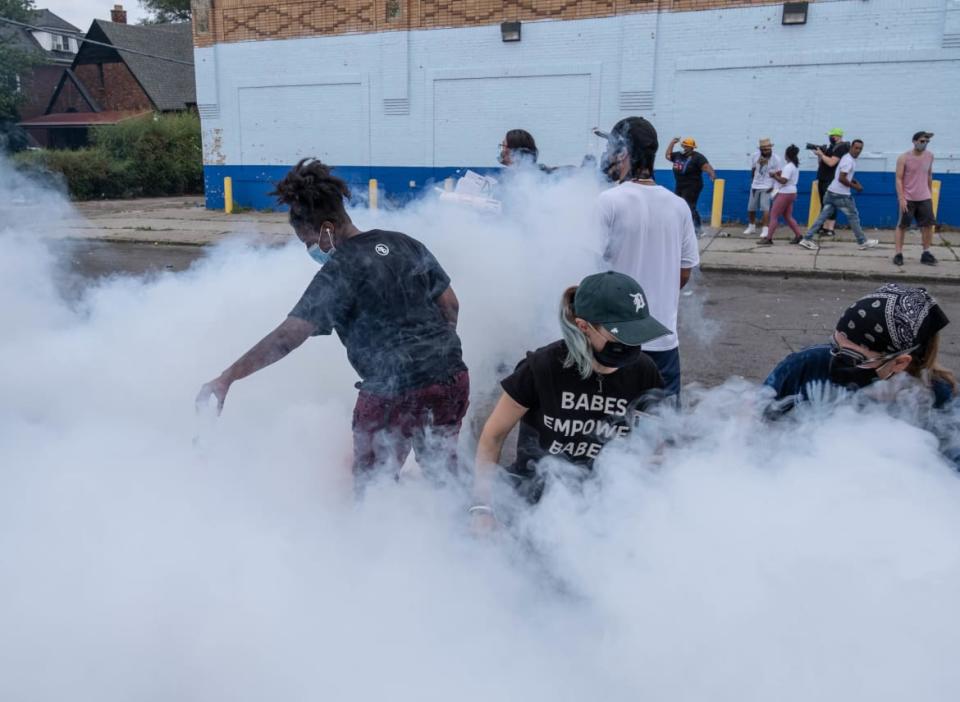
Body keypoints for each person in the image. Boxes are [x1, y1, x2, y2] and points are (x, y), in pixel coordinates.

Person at [196, 159, 470, 494]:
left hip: (390, 394)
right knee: (443, 470)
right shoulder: (404, 242)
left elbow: (287, 337)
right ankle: (467, 530)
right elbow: (451, 304)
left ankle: (376, 540)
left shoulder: (340, 269)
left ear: (327, 228)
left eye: (308, 241)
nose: (311, 249)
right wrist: (434, 355)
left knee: (374, 488)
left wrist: (228, 377)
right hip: (451, 378)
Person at [470, 272, 667, 526]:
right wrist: (482, 509)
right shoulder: (542, 367)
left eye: (637, 333)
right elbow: (493, 436)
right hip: (534, 505)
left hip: (609, 506)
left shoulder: (644, 371)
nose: (631, 344)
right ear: (584, 326)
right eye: (620, 335)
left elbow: (658, 442)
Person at [596, 116, 700, 397]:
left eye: (610, 149)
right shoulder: (678, 206)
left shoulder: (608, 201)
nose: (607, 157)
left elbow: (590, 270)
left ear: (623, 153)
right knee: (659, 432)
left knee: (610, 435)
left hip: (615, 343)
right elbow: (684, 271)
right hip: (663, 342)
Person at [765, 283, 955, 413]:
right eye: (835, 345)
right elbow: (751, 422)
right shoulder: (805, 366)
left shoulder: (938, 400)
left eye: (853, 358)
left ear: (899, 363)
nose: (835, 360)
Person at [799, 139, 879, 251]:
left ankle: (807, 238)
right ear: (851, 147)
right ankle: (862, 241)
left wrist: (853, 181)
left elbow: (843, 175)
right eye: (856, 148)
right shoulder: (849, 161)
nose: (858, 151)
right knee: (853, 216)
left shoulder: (846, 157)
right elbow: (842, 178)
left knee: (823, 216)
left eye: (860, 149)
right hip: (840, 195)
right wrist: (856, 187)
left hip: (831, 192)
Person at [894, 131, 937, 267]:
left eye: (927, 142)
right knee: (902, 226)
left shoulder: (930, 156)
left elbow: (929, 175)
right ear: (914, 141)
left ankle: (926, 253)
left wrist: (929, 194)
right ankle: (898, 254)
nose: (924, 144)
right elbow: (899, 179)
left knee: (928, 226)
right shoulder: (904, 158)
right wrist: (901, 198)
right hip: (908, 198)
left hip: (924, 197)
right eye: (922, 141)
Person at [665, 136, 717, 237]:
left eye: (687, 147)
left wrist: (712, 175)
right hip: (680, 185)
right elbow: (667, 156)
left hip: (693, 186)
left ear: (692, 148)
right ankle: (682, 228)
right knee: (678, 206)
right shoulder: (678, 155)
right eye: (683, 146)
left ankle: (699, 230)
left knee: (689, 207)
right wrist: (672, 143)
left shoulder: (697, 157)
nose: (684, 148)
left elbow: (707, 166)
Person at [761, 144, 803, 245]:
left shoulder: (788, 167)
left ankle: (768, 238)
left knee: (774, 215)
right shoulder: (794, 166)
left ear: (787, 155)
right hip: (792, 192)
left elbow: (784, 180)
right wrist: (779, 174)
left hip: (785, 193)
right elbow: (786, 177)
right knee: (788, 216)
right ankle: (799, 236)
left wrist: (774, 176)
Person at [811, 128, 849, 237]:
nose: (830, 138)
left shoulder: (841, 147)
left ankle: (830, 228)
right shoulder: (831, 147)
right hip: (823, 177)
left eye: (831, 136)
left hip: (831, 179)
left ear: (837, 136)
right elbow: (822, 163)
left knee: (831, 204)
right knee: (824, 203)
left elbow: (832, 163)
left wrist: (822, 155)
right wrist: (820, 155)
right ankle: (824, 227)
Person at [743, 138, 783, 239]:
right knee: (751, 208)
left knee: (765, 208)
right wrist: (752, 182)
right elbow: (753, 169)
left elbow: (779, 173)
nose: (766, 151)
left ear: (771, 148)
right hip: (755, 186)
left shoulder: (776, 158)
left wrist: (774, 187)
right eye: (764, 149)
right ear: (760, 149)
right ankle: (751, 226)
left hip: (767, 186)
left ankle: (765, 229)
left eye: (768, 149)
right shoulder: (755, 156)